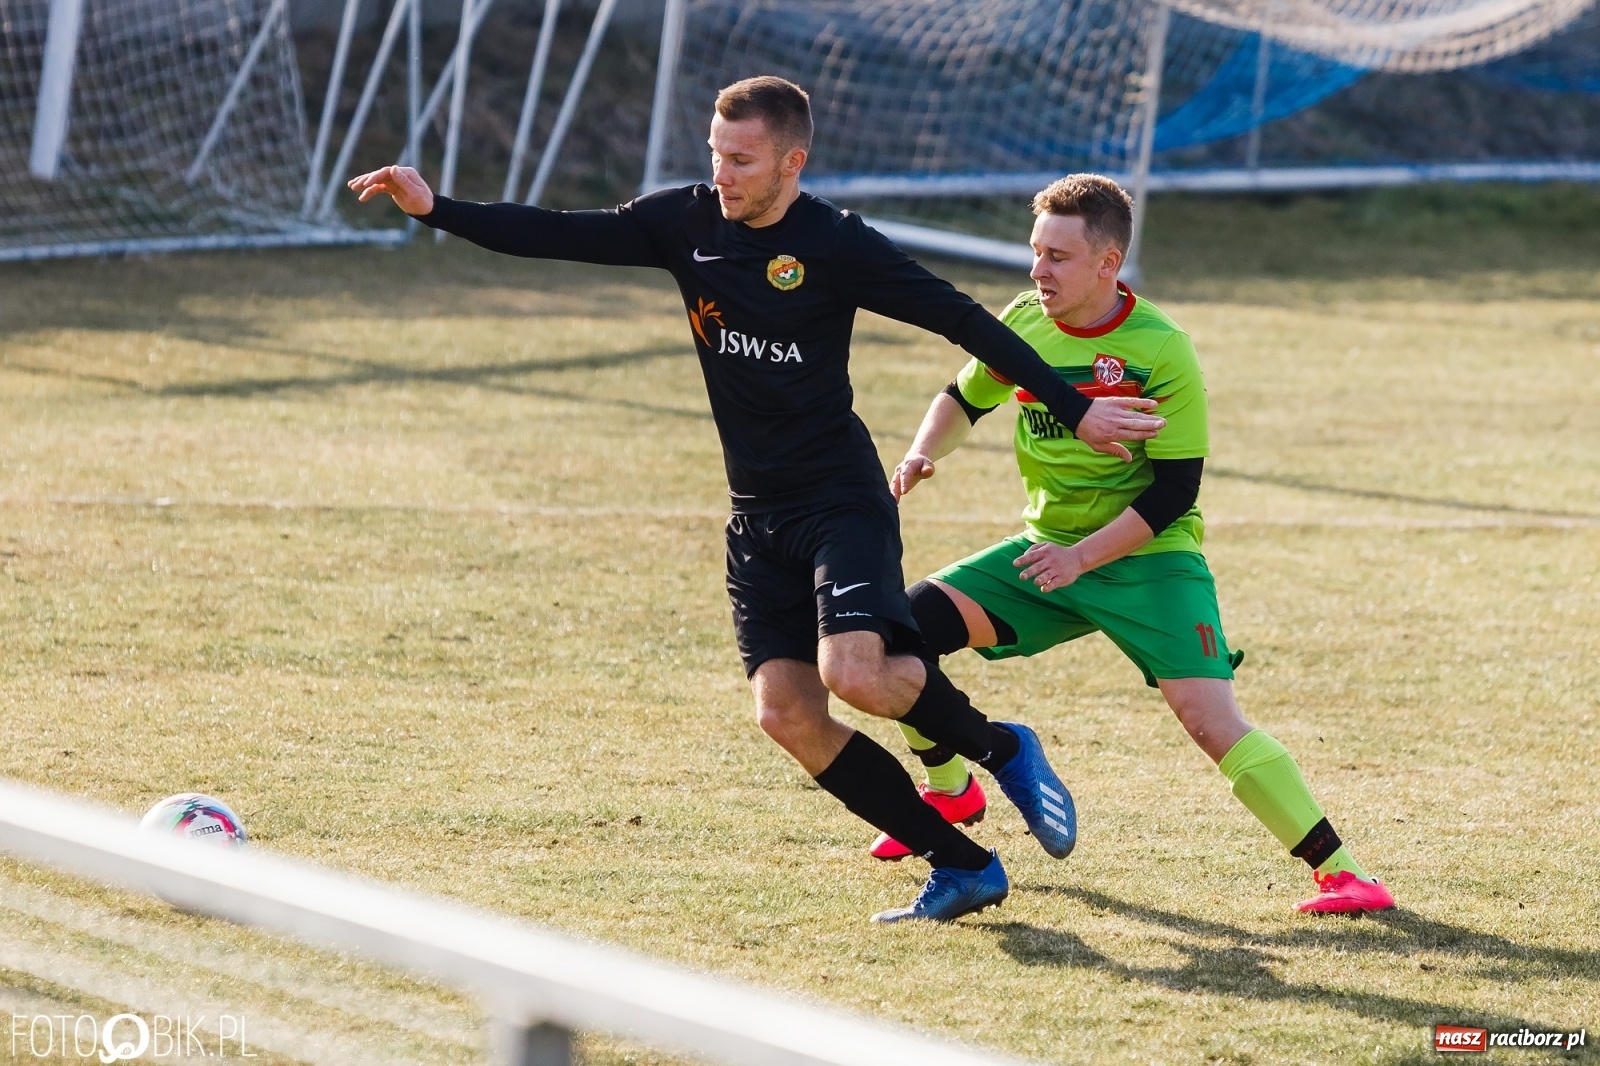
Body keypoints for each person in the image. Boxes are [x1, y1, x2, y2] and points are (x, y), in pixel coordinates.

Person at [348, 78, 1166, 922]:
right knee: (786, 715)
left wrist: (1074, 406)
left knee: (855, 673)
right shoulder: (686, 223)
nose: (723, 173)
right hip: (756, 516)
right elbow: (559, 233)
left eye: (742, 159)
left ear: (791, 162)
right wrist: (436, 208)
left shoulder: (835, 243)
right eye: (716, 154)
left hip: (840, 500)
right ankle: (961, 864)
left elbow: (965, 320)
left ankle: (1001, 748)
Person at [883, 173, 1395, 915]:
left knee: (1210, 721)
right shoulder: (1024, 320)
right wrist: (922, 452)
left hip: (1148, 560)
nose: (1038, 270)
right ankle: (950, 791)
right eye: (1036, 252)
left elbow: (1174, 492)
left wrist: (1081, 558)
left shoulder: (1161, 348)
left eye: (1058, 257)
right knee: (892, 638)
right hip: (1046, 553)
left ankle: (1345, 875)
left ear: (1107, 263)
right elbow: (964, 397)